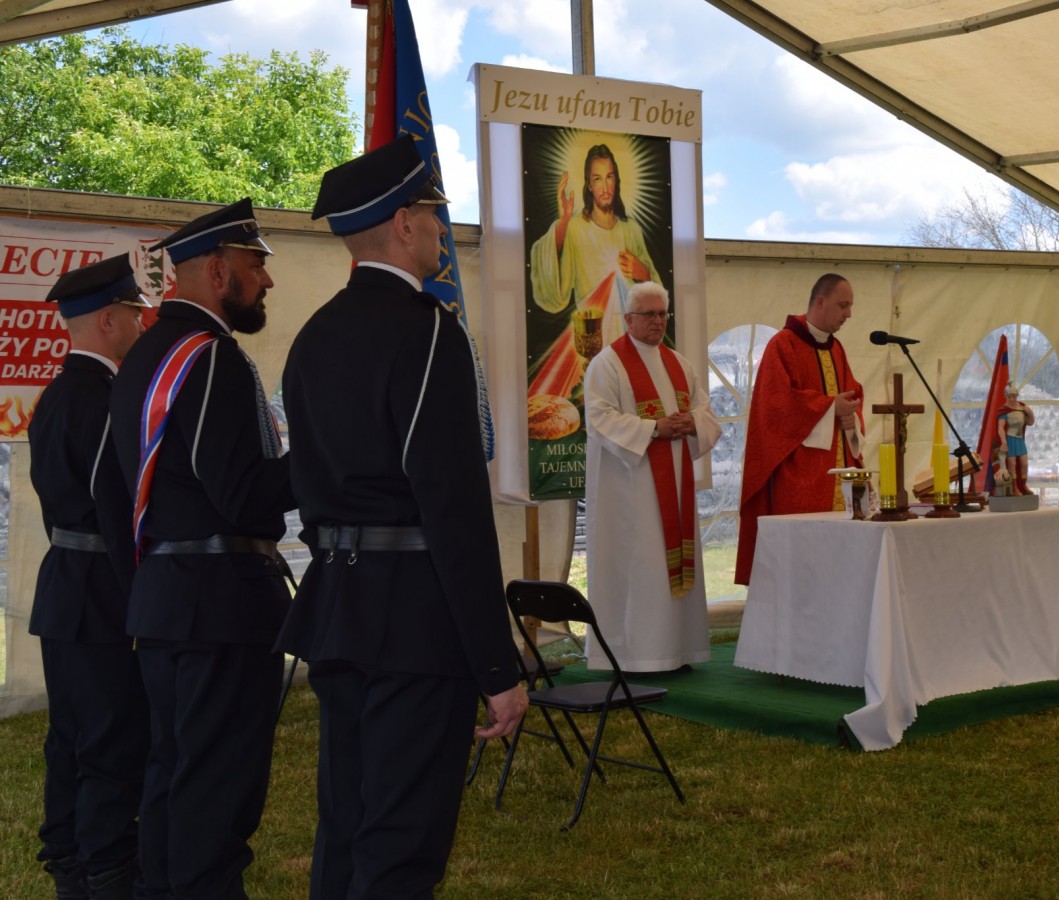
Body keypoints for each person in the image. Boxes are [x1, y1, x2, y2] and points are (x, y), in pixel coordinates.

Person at [280, 134, 527, 898]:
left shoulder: (313, 336)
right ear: (405, 224)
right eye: (431, 212)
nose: (440, 230)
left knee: (347, 825)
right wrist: (498, 665)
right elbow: (451, 508)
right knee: (401, 841)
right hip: (413, 619)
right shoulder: (426, 333)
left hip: (340, 608)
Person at [107, 199, 294, 899]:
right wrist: (325, 455)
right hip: (220, 604)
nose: (267, 282)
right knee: (216, 795)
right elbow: (242, 495)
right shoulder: (210, 358)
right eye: (256, 266)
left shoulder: (145, 356)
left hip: (167, 599)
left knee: (173, 779)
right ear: (218, 271)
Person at [28, 255, 150, 900]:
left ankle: (68, 855)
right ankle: (105, 868)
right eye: (133, 311)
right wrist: (140, 601)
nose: (140, 320)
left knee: (71, 732)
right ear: (109, 319)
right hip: (101, 586)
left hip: (66, 582)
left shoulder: (55, 393)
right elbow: (116, 507)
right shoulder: (105, 398)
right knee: (110, 736)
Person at [583, 281, 721, 672]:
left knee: (669, 564)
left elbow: (705, 411)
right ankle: (636, 655)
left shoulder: (679, 363)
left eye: (663, 314)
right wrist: (654, 429)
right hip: (630, 490)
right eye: (649, 314)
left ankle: (677, 650)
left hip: (675, 487)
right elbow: (599, 417)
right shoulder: (607, 364)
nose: (658, 321)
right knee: (640, 565)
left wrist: (689, 422)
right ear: (628, 319)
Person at [735, 273, 863, 585]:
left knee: (838, 570)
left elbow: (850, 394)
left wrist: (851, 415)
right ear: (820, 302)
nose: (849, 314)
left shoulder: (836, 349)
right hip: (799, 474)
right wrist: (832, 407)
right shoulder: (783, 345)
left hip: (838, 469)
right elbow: (776, 405)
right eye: (843, 305)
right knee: (802, 570)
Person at [529, 143, 661, 346]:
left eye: (609, 177)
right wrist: (563, 222)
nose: (605, 187)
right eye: (597, 179)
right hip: (591, 342)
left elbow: (657, 297)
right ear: (589, 185)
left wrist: (644, 274)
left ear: (616, 180)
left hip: (631, 343)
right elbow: (554, 293)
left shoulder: (631, 229)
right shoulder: (575, 228)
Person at [997, 384, 1036, 496]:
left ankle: (1023, 486)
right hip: (1010, 439)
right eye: (1010, 396)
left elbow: (1030, 422)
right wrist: (1004, 442)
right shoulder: (1004, 410)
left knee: (1024, 464)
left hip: (1020, 440)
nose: (1013, 399)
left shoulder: (1022, 408)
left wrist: (1030, 412)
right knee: (1012, 464)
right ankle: (1014, 488)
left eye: (1014, 396)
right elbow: (1000, 428)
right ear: (1006, 396)